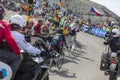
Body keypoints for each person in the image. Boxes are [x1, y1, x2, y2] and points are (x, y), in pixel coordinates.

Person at [0, 6, 22, 80]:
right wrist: (18, 53)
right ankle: (11, 78)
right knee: (18, 58)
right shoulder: (4, 25)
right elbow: (10, 39)